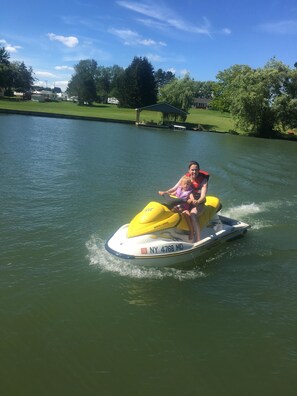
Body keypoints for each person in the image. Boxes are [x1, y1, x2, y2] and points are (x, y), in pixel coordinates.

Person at [158, 161, 209, 242]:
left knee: (193, 215)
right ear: (189, 170)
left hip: (197, 204)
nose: (194, 172)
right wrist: (165, 192)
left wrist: (197, 201)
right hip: (185, 202)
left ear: (199, 170)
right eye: (192, 170)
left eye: (196, 170)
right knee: (168, 208)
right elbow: (175, 188)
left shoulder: (203, 181)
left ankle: (198, 239)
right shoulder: (185, 178)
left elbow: (203, 195)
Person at [160, 176, 195, 240]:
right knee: (165, 208)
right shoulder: (179, 189)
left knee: (186, 214)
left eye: (188, 184)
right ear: (181, 184)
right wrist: (164, 193)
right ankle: (162, 225)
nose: (186, 185)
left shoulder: (190, 192)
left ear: (190, 185)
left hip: (183, 208)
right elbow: (172, 194)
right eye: (184, 184)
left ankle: (191, 232)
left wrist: (191, 200)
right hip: (175, 206)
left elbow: (192, 198)